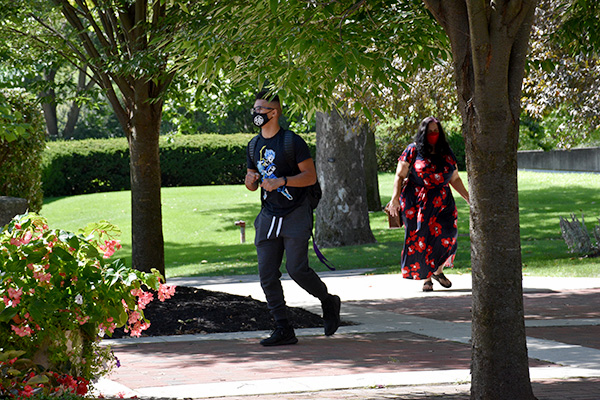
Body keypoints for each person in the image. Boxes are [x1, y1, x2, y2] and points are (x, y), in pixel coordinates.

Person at [245, 90, 341, 346]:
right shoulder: (254, 145)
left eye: (260, 110)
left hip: (295, 212)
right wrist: (251, 181)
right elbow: (251, 182)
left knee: (296, 269)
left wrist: (283, 181)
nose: (255, 114)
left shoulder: (292, 141)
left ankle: (327, 300)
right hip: (268, 215)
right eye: (254, 109)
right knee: (267, 275)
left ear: (273, 113)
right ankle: (283, 328)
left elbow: (310, 177)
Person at [387, 116, 470, 292]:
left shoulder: (446, 151)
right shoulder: (413, 150)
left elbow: (454, 178)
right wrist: (394, 199)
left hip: (443, 200)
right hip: (417, 201)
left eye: (436, 131)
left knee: (448, 234)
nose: (433, 134)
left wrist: (469, 199)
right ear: (423, 133)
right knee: (422, 238)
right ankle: (427, 278)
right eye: (430, 131)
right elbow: (400, 175)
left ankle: (438, 271)